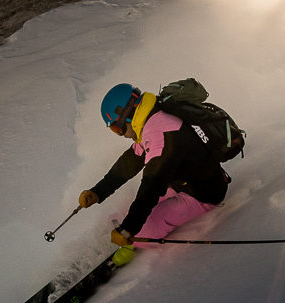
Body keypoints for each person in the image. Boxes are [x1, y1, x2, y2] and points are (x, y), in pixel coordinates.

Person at [78, 83, 230, 249]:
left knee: (141, 230)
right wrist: (98, 192)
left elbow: (151, 186)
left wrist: (129, 230)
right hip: (181, 181)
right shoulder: (151, 118)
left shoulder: (161, 136)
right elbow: (131, 160)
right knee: (126, 213)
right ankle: (129, 232)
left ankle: (132, 246)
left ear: (126, 116)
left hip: (202, 194)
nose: (120, 134)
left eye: (116, 128)